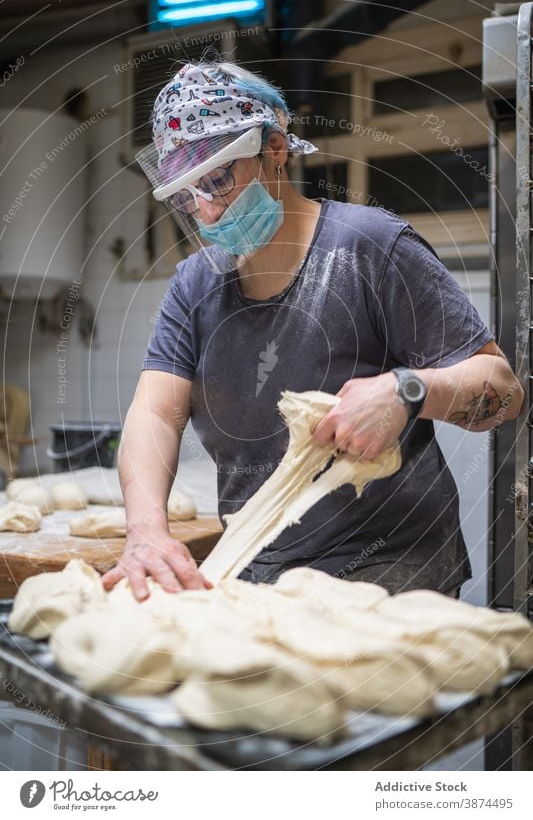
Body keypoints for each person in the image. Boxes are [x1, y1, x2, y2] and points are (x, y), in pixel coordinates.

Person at [102, 59, 523, 601]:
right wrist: (145, 532)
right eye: (187, 196)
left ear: (274, 148)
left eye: (218, 180)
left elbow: (505, 390)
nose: (206, 211)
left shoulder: (371, 247)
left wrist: (407, 391)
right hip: (256, 567)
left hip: (393, 573)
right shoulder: (195, 285)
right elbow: (155, 412)